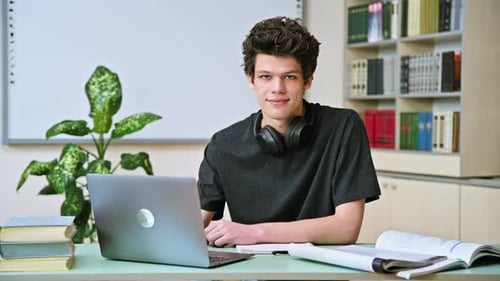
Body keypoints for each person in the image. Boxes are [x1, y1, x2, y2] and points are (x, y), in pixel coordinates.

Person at [198, 16, 380, 247]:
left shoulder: (343, 127)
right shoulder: (223, 144)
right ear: (251, 79)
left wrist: (254, 233)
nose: (277, 88)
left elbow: (346, 228)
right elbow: (195, 224)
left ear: (308, 81)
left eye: (289, 77)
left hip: (319, 273)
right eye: (266, 77)